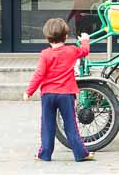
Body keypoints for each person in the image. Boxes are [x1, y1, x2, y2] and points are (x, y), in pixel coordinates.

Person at [23, 18, 93, 162]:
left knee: (47, 125)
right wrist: (85, 39)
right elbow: (85, 51)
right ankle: (80, 154)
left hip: (48, 94)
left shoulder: (45, 54)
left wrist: (29, 91)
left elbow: (39, 74)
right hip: (66, 94)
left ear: (47, 37)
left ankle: (45, 154)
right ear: (66, 36)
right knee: (70, 125)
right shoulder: (72, 50)